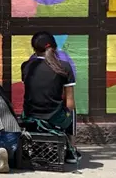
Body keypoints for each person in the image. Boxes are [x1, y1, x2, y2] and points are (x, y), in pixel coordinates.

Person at [21, 31, 80, 163]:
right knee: (72, 109)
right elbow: (70, 103)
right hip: (54, 119)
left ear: (34, 48)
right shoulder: (64, 67)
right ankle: (71, 150)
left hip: (30, 117)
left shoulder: (26, 66)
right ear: (54, 47)